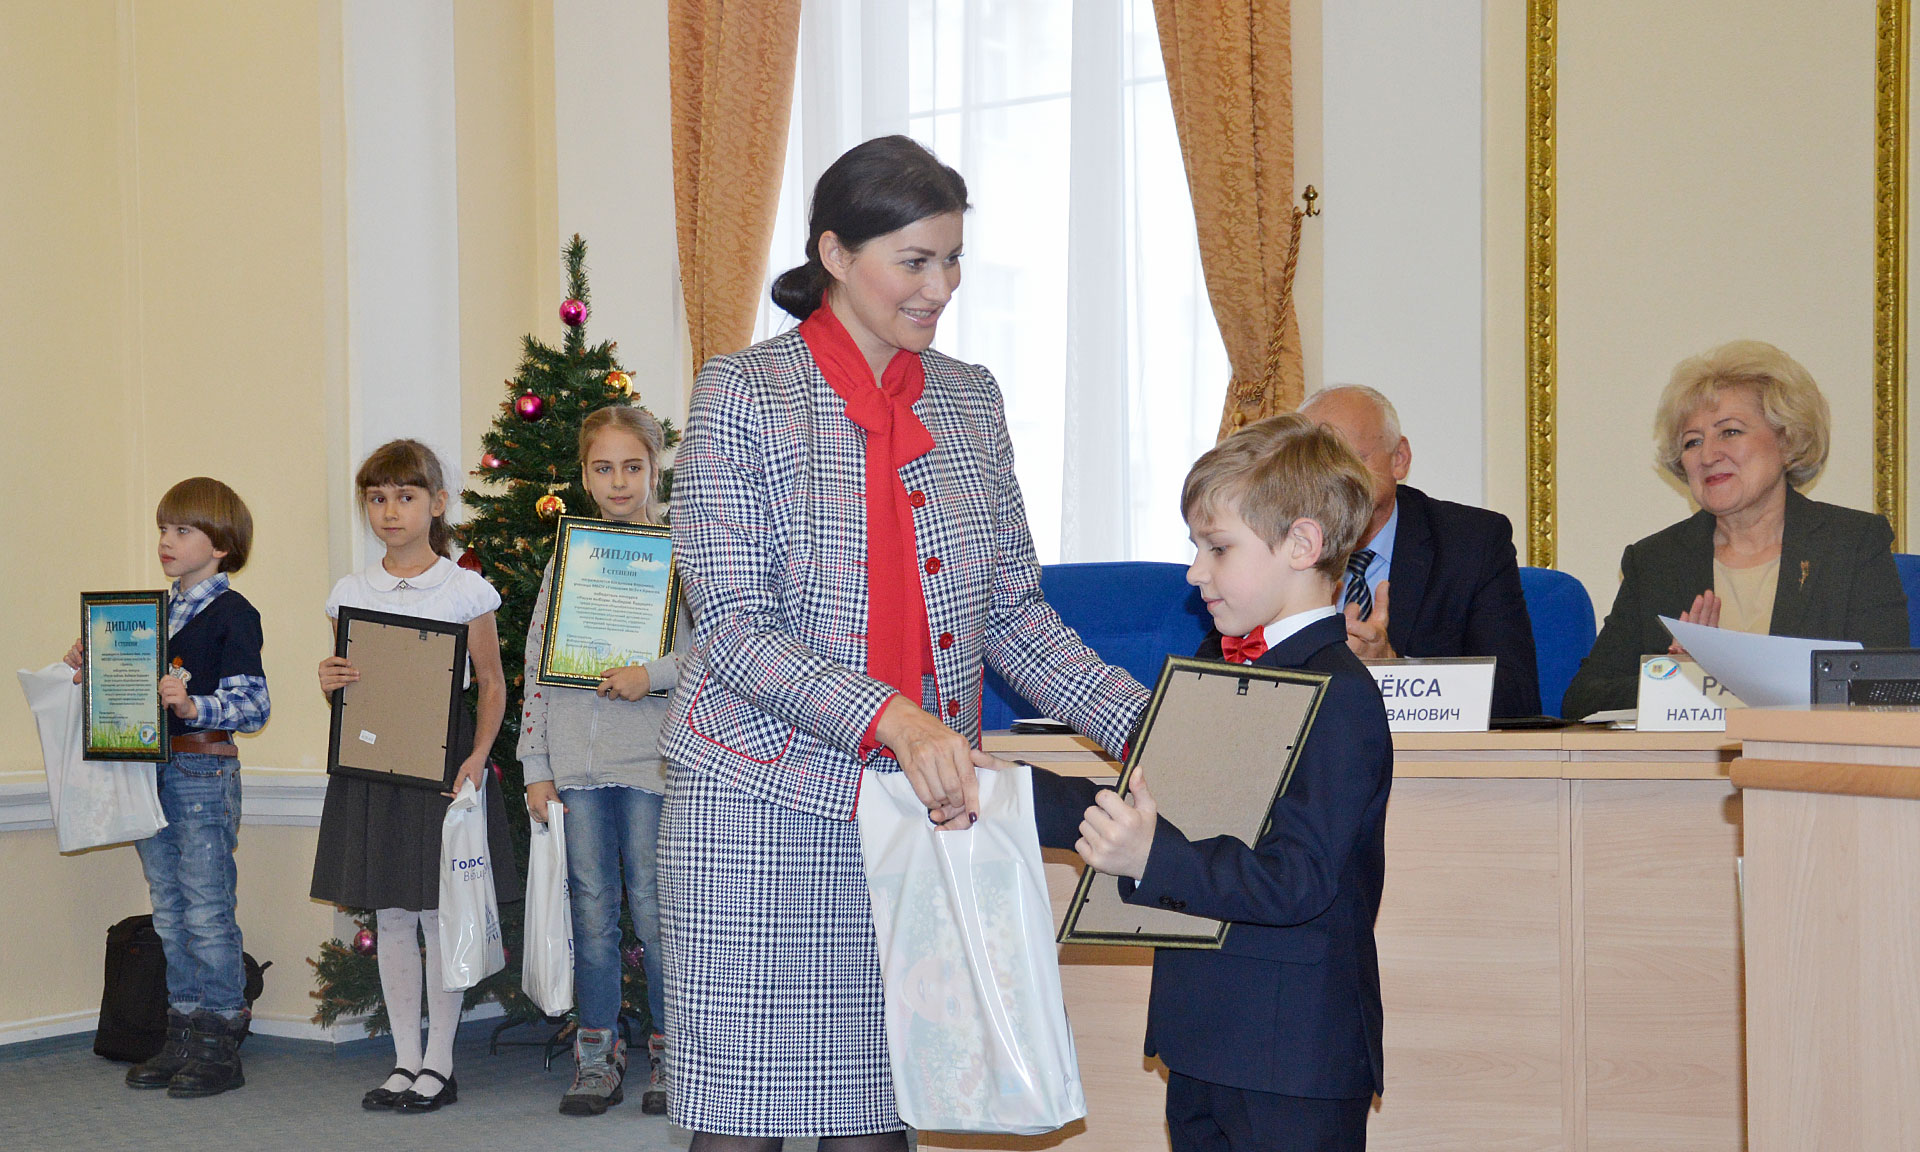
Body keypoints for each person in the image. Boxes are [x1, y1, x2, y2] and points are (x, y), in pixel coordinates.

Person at [658, 135, 1149, 1150]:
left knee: (883, 1120)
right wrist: (897, 718)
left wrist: (1152, 725)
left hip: (917, 814)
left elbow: (1014, 613)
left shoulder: (969, 399)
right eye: (915, 262)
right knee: (743, 1123)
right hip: (758, 805)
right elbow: (735, 625)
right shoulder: (742, 392)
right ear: (836, 255)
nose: (942, 287)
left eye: (953, 259)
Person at [1016, 414, 1392, 1151]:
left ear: (1302, 545)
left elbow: (1297, 880)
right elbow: (1159, 812)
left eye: (1217, 547)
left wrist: (1149, 855)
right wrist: (1010, 792)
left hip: (1292, 1058)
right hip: (1201, 1042)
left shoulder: (1342, 695)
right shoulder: (1216, 666)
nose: (1194, 571)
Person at [309, 439, 520, 1114]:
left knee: (437, 912)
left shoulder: (465, 589)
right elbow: (351, 688)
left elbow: (493, 684)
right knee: (392, 915)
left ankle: (440, 1063)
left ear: (437, 503)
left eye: (406, 496)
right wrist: (330, 680)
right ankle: (404, 1060)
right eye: (377, 499)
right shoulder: (350, 592)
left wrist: (477, 758)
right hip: (375, 768)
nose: (391, 511)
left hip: (443, 763)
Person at [1560, 341, 1910, 717]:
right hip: (1689, 757)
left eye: (1729, 432)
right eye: (1692, 441)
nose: (1708, 455)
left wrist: (1732, 681)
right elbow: (1583, 700)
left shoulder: (1851, 544)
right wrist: (1677, 677)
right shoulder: (1655, 561)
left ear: (1787, 440)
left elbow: (1889, 689)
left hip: (1812, 754)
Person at [63, 477, 270, 1098]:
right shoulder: (145, 615)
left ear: (222, 545)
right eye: (163, 529)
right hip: (146, 771)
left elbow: (254, 705)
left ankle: (219, 1032)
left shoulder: (234, 614)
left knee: (207, 908)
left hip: (201, 771)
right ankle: (181, 1025)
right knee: (170, 910)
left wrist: (192, 704)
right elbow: (126, 690)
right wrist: (94, 665)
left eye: (182, 530)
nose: (166, 541)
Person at [519, 404, 686, 1117]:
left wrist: (652, 674)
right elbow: (535, 665)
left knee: (654, 909)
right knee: (589, 910)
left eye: (633, 466)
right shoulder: (568, 559)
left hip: (650, 765)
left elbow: (717, 648)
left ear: (655, 470)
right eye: (603, 468)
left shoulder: (683, 553)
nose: (619, 482)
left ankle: (675, 1053)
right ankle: (597, 1052)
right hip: (577, 769)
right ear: (584, 476)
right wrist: (536, 764)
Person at [1300, 384, 1541, 717]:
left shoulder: (1471, 544)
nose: (1329, 484)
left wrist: (1394, 671)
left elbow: (1515, 697)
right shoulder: (1270, 542)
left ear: (1399, 459)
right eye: (1311, 468)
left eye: (1350, 462)